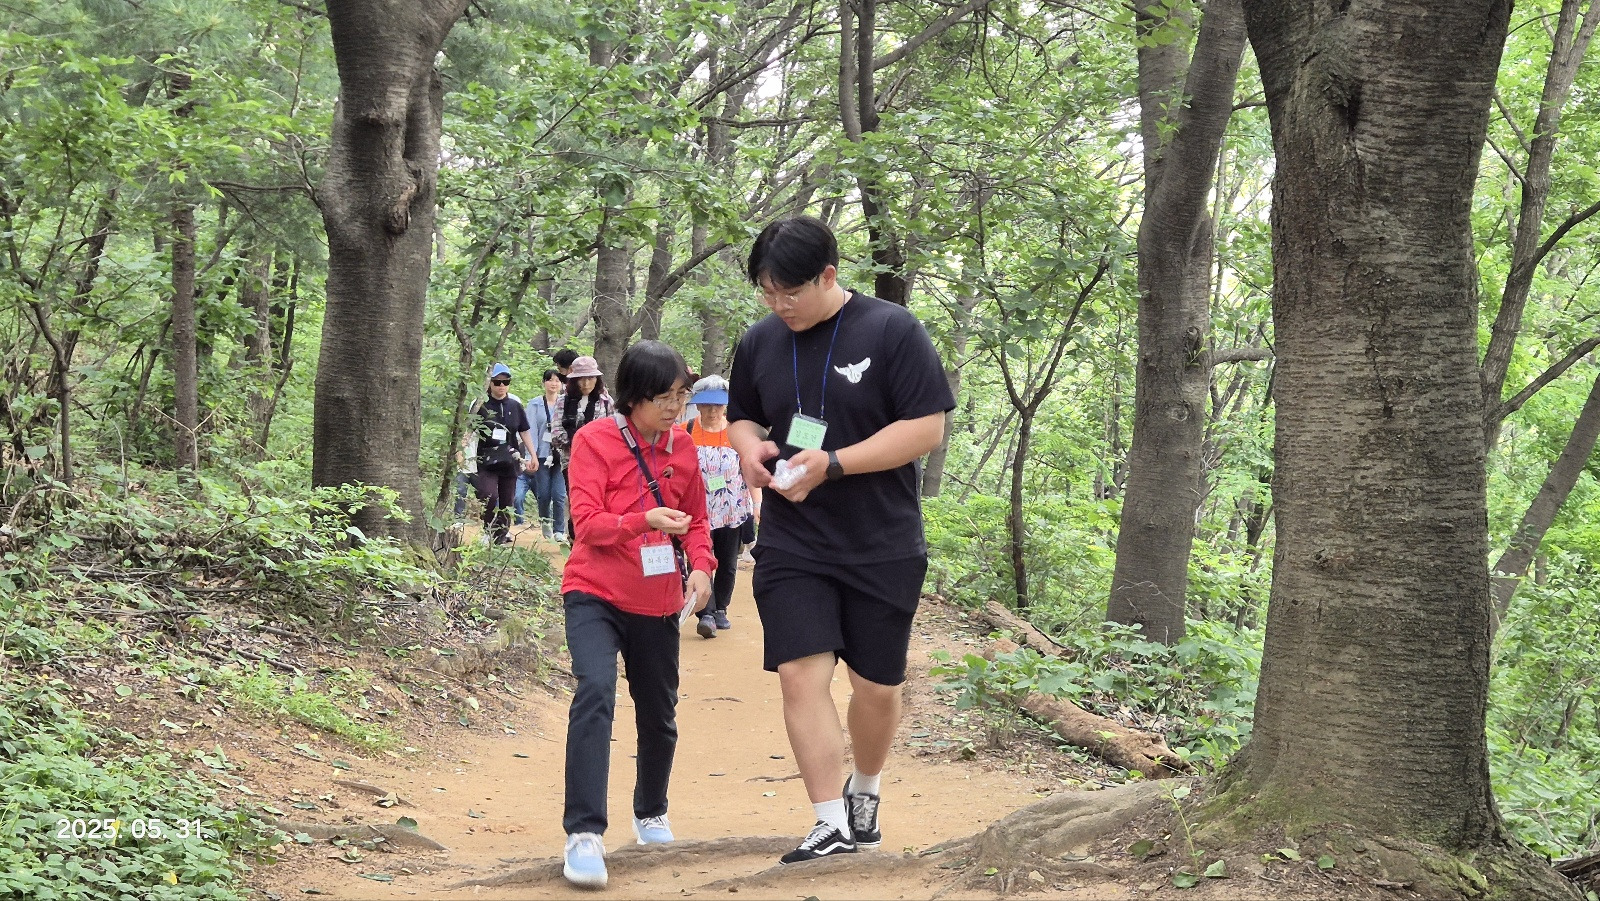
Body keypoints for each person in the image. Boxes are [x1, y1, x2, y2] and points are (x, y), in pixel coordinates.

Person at [727, 216, 954, 864]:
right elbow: (743, 416)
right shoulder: (760, 340)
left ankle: (865, 789)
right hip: (794, 539)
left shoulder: (890, 330)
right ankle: (828, 821)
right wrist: (748, 449)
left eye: (790, 292)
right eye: (767, 292)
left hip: (882, 540)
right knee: (800, 672)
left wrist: (835, 463)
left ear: (828, 275)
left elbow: (927, 428)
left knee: (876, 687)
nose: (779, 305)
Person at [558, 340, 714, 889]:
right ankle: (584, 833)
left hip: (657, 599)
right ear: (633, 397)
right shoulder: (594, 440)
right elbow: (587, 523)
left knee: (658, 711)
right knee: (595, 692)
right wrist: (642, 520)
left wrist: (702, 567)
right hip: (594, 590)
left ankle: (651, 812)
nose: (675, 407)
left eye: (681, 396)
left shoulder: (684, 447)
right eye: (663, 397)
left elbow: (697, 519)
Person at [684, 374, 754, 639]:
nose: (712, 410)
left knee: (727, 562)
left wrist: (757, 504)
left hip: (732, 509)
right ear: (698, 405)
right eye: (706, 405)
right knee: (699, 558)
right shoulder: (686, 430)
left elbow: (749, 469)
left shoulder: (737, 432)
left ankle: (721, 607)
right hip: (697, 510)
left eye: (717, 405)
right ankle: (706, 613)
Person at [472, 363, 536, 545]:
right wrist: (460, 453)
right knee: (488, 494)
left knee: (508, 499)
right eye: (497, 382)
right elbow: (468, 430)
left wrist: (532, 454)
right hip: (487, 459)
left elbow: (524, 431)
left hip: (510, 458)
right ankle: (488, 530)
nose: (501, 386)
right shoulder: (481, 405)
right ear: (490, 383)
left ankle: (501, 535)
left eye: (505, 382)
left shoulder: (515, 406)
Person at [551, 355, 614, 543]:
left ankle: (597, 539)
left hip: (600, 462)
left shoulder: (606, 402)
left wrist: (594, 445)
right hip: (571, 461)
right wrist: (580, 442)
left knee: (599, 500)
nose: (586, 383)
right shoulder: (562, 401)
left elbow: (613, 431)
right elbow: (556, 433)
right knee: (577, 500)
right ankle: (576, 539)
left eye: (590, 378)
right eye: (581, 379)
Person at [516, 368, 568, 541]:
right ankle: (545, 522)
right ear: (544, 383)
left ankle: (559, 530)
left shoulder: (566, 402)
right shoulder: (535, 404)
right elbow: (530, 430)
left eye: (557, 381)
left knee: (559, 494)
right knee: (544, 494)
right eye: (550, 380)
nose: (554, 384)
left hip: (561, 455)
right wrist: (531, 456)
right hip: (542, 455)